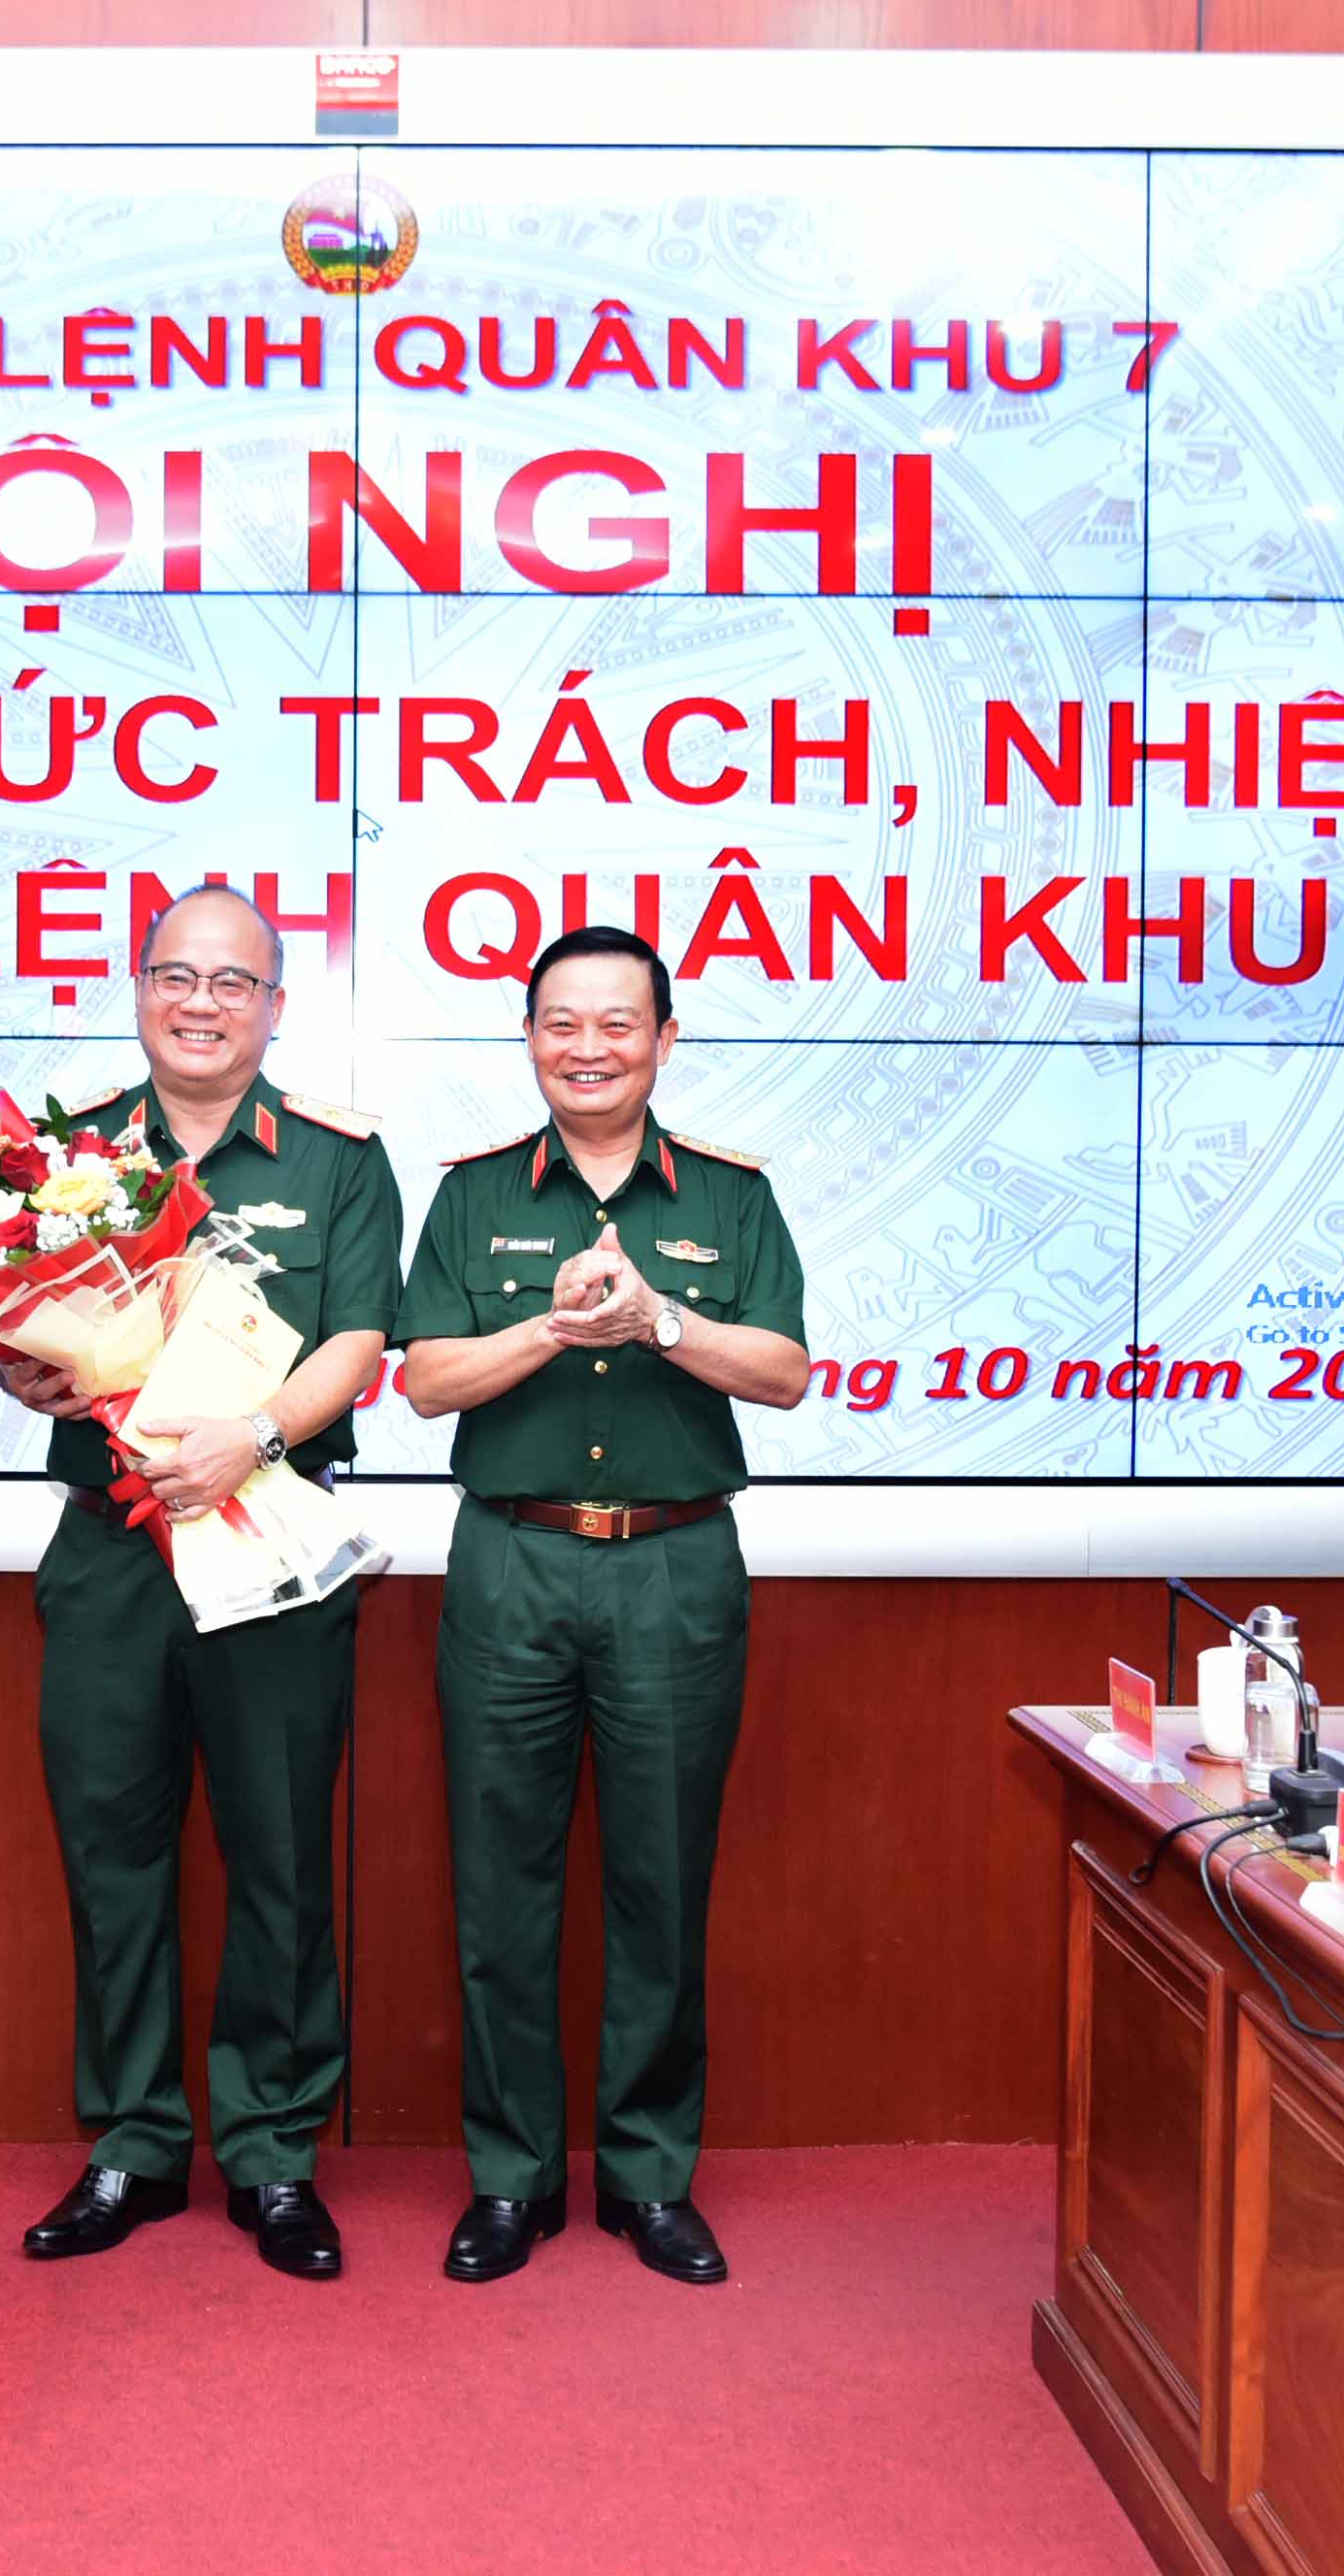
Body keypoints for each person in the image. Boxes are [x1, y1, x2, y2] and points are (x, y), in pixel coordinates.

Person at [0, 888, 401, 2280]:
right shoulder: (69, 1156)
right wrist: (26, 1369)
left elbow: (358, 1336)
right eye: (176, 976)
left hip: (269, 1538)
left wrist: (256, 1434)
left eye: (233, 982)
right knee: (111, 1850)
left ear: (275, 1006)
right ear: (137, 990)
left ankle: (274, 2151)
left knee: (279, 1851)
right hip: (111, 1549)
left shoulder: (339, 1159)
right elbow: (19, 1328)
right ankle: (133, 2140)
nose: (201, 1003)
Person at [395, 926, 809, 2285]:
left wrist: (658, 1320)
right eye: (560, 1023)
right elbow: (425, 1382)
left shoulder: (731, 1197)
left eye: (617, 1023)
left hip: (673, 1570)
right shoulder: (470, 1194)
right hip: (510, 1562)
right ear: (527, 1039)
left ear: (663, 1040)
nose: (588, 1047)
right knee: (498, 1889)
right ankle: (508, 2180)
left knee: (661, 1884)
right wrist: (556, 1328)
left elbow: (784, 1371)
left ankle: (647, 2176)